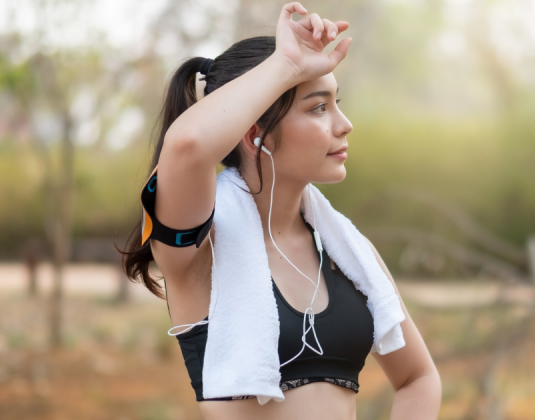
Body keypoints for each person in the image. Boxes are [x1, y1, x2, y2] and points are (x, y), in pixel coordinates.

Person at [119, 3, 441, 419]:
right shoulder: (202, 248)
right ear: (255, 134)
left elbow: (418, 377)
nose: (344, 124)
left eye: (335, 103)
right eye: (318, 107)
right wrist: (287, 64)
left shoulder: (347, 252)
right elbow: (187, 147)